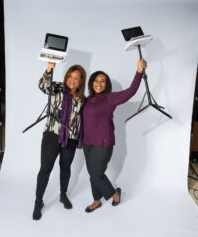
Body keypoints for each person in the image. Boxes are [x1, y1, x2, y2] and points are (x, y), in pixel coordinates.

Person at [82, 58, 147, 212]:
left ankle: (114, 194)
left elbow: (131, 91)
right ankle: (96, 200)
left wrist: (139, 71)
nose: (99, 83)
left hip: (103, 143)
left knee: (96, 174)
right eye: (96, 80)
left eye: (103, 81)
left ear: (106, 84)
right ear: (91, 83)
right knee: (92, 174)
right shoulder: (87, 99)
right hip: (87, 142)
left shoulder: (110, 98)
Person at [32, 62, 86, 220]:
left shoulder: (82, 98)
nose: (72, 80)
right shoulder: (58, 88)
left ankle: (63, 194)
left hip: (71, 138)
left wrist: (108, 115)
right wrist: (49, 69)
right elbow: (43, 86)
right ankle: (38, 200)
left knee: (65, 167)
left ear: (81, 81)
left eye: (76, 78)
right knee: (45, 168)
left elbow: (89, 115)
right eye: (70, 76)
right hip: (52, 134)